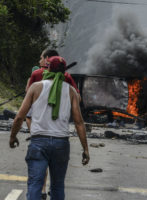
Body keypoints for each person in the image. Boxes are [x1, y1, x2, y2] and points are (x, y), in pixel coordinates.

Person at [9, 56, 90, 200]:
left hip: (39, 142)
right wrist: (85, 149)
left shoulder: (36, 87)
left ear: (48, 68)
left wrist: (12, 136)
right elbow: (79, 122)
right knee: (58, 186)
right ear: (64, 71)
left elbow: (20, 117)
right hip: (61, 144)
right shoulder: (71, 91)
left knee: (35, 183)